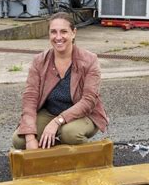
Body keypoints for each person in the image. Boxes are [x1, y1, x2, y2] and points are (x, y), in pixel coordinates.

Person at [12, 12, 109, 150]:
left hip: (83, 114)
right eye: (53, 32)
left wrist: (57, 122)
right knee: (19, 140)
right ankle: (60, 153)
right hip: (50, 111)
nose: (58, 37)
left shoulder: (89, 60)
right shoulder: (39, 61)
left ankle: (90, 154)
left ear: (73, 33)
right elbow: (30, 98)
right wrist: (29, 138)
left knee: (70, 134)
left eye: (64, 32)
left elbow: (89, 100)